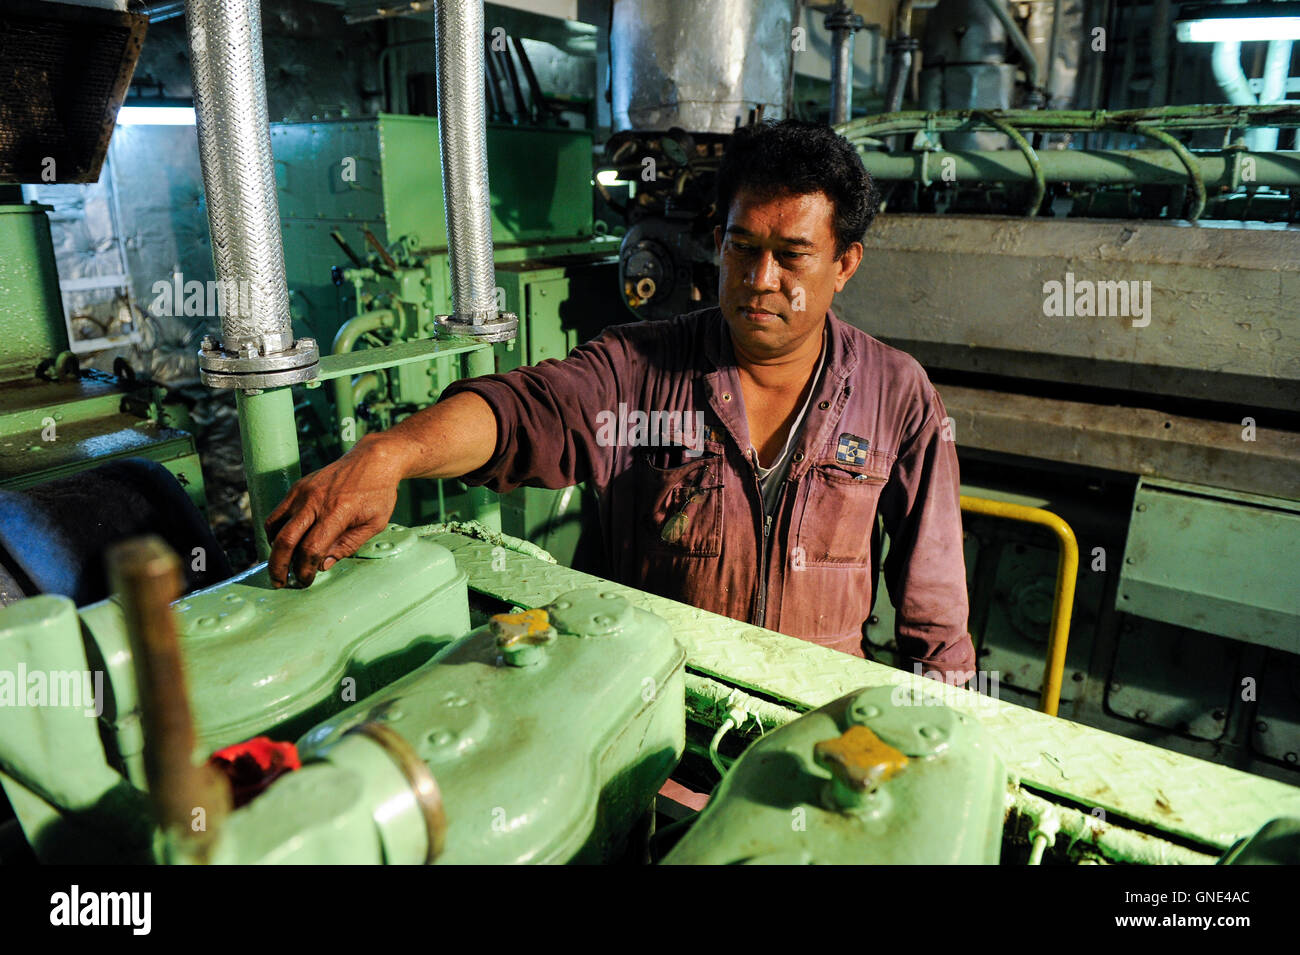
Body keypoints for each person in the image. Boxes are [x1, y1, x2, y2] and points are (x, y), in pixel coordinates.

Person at [266, 119, 975, 683]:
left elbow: (934, 615)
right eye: (741, 246)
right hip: (656, 705)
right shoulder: (641, 367)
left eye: (792, 255)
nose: (760, 278)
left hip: (815, 735)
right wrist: (392, 452)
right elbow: (527, 411)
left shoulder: (897, 395)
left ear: (844, 263)